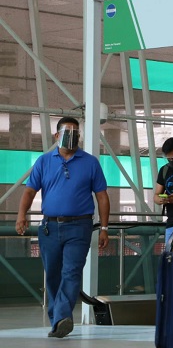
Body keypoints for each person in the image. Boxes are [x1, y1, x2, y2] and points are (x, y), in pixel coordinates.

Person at [15, 117, 110, 338]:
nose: (72, 135)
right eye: (67, 131)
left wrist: (104, 227)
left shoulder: (90, 162)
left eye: (76, 132)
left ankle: (61, 319)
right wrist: (21, 215)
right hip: (49, 227)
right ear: (57, 136)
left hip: (80, 226)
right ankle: (58, 319)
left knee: (72, 271)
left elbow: (102, 197)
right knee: (53, 275)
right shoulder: (44, 161)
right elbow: (30, 191)